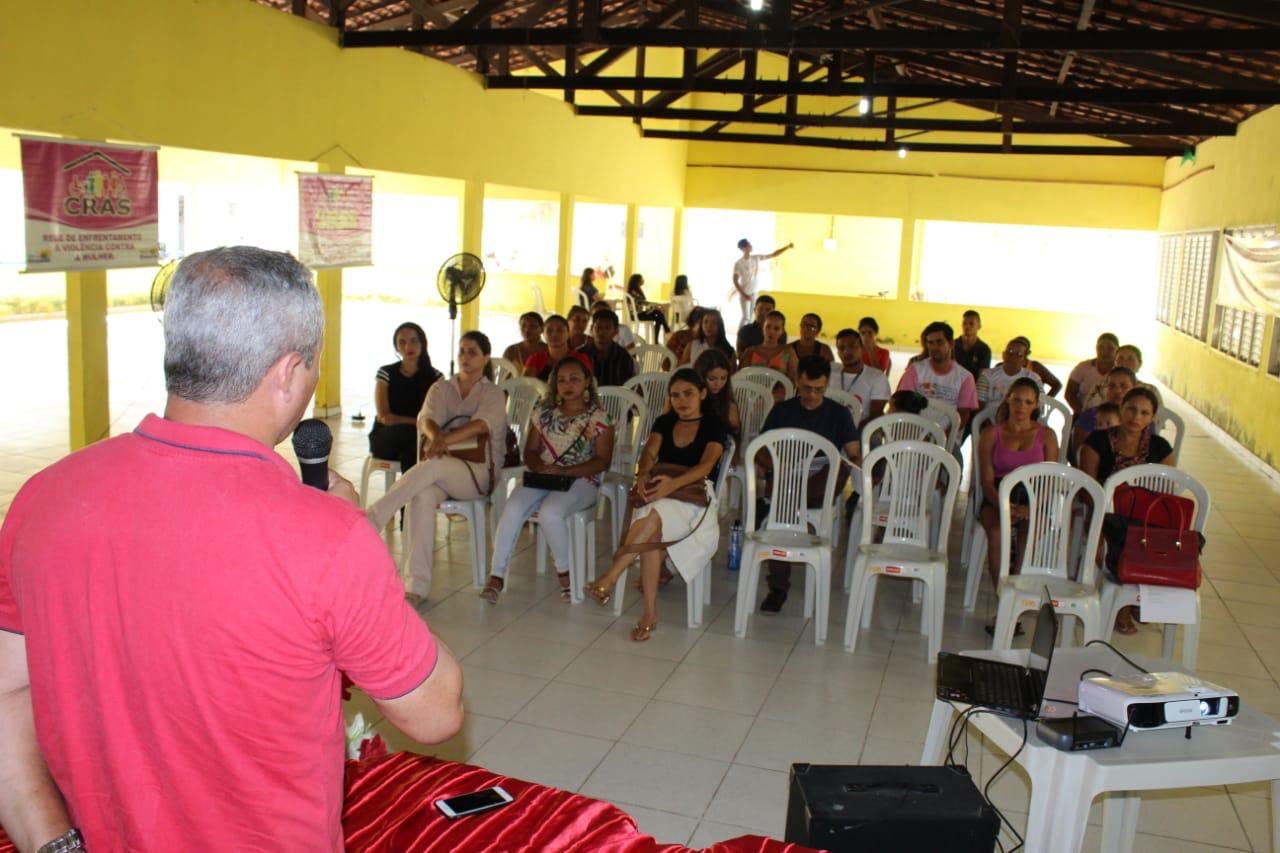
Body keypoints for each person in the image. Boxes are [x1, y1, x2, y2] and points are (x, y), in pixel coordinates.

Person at [0, 246, 463, 851]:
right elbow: (437, 714)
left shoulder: (42, 499)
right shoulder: (329, 538)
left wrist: (53, 844)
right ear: (289, 372)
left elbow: (7, 694)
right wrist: (361, 552)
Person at [583, 369, 727, 641]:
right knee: (653, 525)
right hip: (660, 488)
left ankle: (611, 576)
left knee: (653, 516)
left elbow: (706, 466)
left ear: (703, 394)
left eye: (689, 394)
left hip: (693, 497)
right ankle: (648, 613)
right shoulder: (665, 421)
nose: (682, 401)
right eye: (675, 395)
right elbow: (649, 452)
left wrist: (673, 485)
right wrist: (645, 472)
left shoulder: (714, 424)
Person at [368, 330, 507, 607]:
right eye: (462, 351)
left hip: (477, 471)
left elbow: (481, 425)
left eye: (472, 352)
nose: (465, 357)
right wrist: (436, 436)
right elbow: (426, 418)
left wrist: (442, 440)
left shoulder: (492, 393)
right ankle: (415, 587)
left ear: (485, 357)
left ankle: (375, 517)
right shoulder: (443, 387)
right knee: (422, 495)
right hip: (443, 466)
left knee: (433, 464)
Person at [481, 357, 614, 603]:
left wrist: (568, 471)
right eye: (561, 380)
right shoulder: (543, 413)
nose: (568, 384)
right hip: (545, 476)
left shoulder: (599, 417)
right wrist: (540, 466)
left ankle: (566, 575)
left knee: (551, 513)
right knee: (513, 507)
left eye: (574, 378)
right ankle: (496, 576)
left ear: (587, 382)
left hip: (582, 479)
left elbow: (603, 461)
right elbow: (529, 452)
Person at [756, 357, 860, 613]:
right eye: (806, 389)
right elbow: (760, 449)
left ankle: (784, 504)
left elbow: (854, 454)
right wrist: (776, 465)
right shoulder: (783, 411)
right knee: (782, 513)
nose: (812, 395)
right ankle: (778, 589)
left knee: (836, 465)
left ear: (827, 386)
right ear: (796, 383)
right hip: (787, 475)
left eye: (819, 390)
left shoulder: (839, 413)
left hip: (821, 479)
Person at [1078, 386, 1175, 635]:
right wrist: (1111, 508)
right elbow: (1088, 488)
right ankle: (1122, 607)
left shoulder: (1161, 448)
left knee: (1153, 545)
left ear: (1152, 418)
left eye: (1144, 413)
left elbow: (1167, 492)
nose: (1136, 417)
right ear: (1121, 408)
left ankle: (1134, 600)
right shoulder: (1098, 441)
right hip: (1105, 514)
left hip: (1145, 519)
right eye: (1131, 409)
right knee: (1109, 547)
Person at [976, 377, 1060, 608]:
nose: (1021, 407)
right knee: (996, 532)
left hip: (1035, 496)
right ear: (1008, 400)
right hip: (998, 495)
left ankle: (1018, 596)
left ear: (1035, 405)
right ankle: (1003, 598)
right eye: (1016, 400)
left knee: (1028, 533)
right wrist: (1004, 507)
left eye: (1027, 402)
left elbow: (1050, 480)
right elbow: (986, 480)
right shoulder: (992, 434)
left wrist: (1030, 508)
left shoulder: (1047, 435)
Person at [369, 321, 442, 474]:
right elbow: (385, 418)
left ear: (422, 343)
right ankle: (421, 491)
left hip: (419, 440)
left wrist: (419, 426)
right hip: (386, 439)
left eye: (414, 341)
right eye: (402, 342)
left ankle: (411, 494)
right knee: (409, 435)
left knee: (408, 453)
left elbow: (438, 416)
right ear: (396, 347)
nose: (408, 347)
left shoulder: (436, 377)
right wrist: (418, 423)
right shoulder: (386, 373)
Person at [896, 321, 980, 430]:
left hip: (947, 440)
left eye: (939, 342)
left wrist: (943, 438)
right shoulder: (915, 370)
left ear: (951, 343)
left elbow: (963, 415)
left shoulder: (965, 378)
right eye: (930, 343)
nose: (934, 347)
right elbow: (902, 403)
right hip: (914, 435)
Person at [1070, 366, 1137, 456]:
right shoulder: (1091, 415)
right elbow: (1078, 455)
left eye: (1123, 386)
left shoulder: (1142, 418)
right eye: (1111, 386)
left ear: (1134, 388)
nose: (1117, 391)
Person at [831, 328, 890, 426]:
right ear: (837, 353)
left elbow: (876, 415)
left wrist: (850, 433)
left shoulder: (877, 378)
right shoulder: (829, 372)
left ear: (862, 349)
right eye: (841, 348)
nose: (846, 351)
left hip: (863, 432)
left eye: (852, 346)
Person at [731, 238, 794, 326]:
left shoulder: (756, 258)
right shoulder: (739, 263)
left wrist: (786, 247)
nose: (751, 246)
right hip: (744, 293)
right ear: (744, 248)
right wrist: (744, 294)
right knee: (745, 317)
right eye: (749, 245)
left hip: (754, 293)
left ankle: (750, 335)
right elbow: (735, 280)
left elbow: (773, 255)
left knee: (753, 316)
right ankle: (740, 336)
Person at [740, 310, 799, 397]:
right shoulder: (750, 352)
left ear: (782, 331)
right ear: (763, 328)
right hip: (752, 399)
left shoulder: (786, 353)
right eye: (768, 326)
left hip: (779, 401)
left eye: (776, 328)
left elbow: (793, 380)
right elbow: (741, 378)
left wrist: (773, 397)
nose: (771, 331)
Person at [523, 313, 591, 381]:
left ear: (568, 333)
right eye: (549, 330)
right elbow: (526, 386)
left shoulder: (580, 359)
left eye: (559, 330)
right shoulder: (535, 359)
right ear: (543, 334)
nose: (554, 334)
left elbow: (589, 384)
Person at [976, 336, 1041, 406]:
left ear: (1025, 361)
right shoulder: (987, 375)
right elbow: (979, 404)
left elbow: (1040, 404)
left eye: (1019, 355)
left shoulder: (1034, 378)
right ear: (1003, 355)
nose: (1013, 357)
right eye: (1010, 352)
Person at [578, 308, 636, 386]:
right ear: (592, 329)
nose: (602, 332)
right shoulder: (581, 355)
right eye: (599, 327)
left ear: (615, 331)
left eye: (607, 328)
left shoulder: (623, 357)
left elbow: (628, 387)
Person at [1065, 332, 1120, 415]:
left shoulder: (1120, 371)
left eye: (1110, 348)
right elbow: (1069, 394)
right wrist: (1083, 413)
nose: (1104, 352)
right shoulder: (1084, 367)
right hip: (1082, 414)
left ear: (1117, 350)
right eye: (1100, 347)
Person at [693, 349, 741, 440]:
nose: (718, 384)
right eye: (712, 379)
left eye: (723, 378)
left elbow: (734, 438)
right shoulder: (689, 400)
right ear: (700, 376)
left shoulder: (729, 405)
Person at [953, 309, 992, 382]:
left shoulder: (984, 350)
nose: (967, 327)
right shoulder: (952, 345)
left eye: (971, 324)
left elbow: (982, 377)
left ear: (979, 326)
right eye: (964, 323)